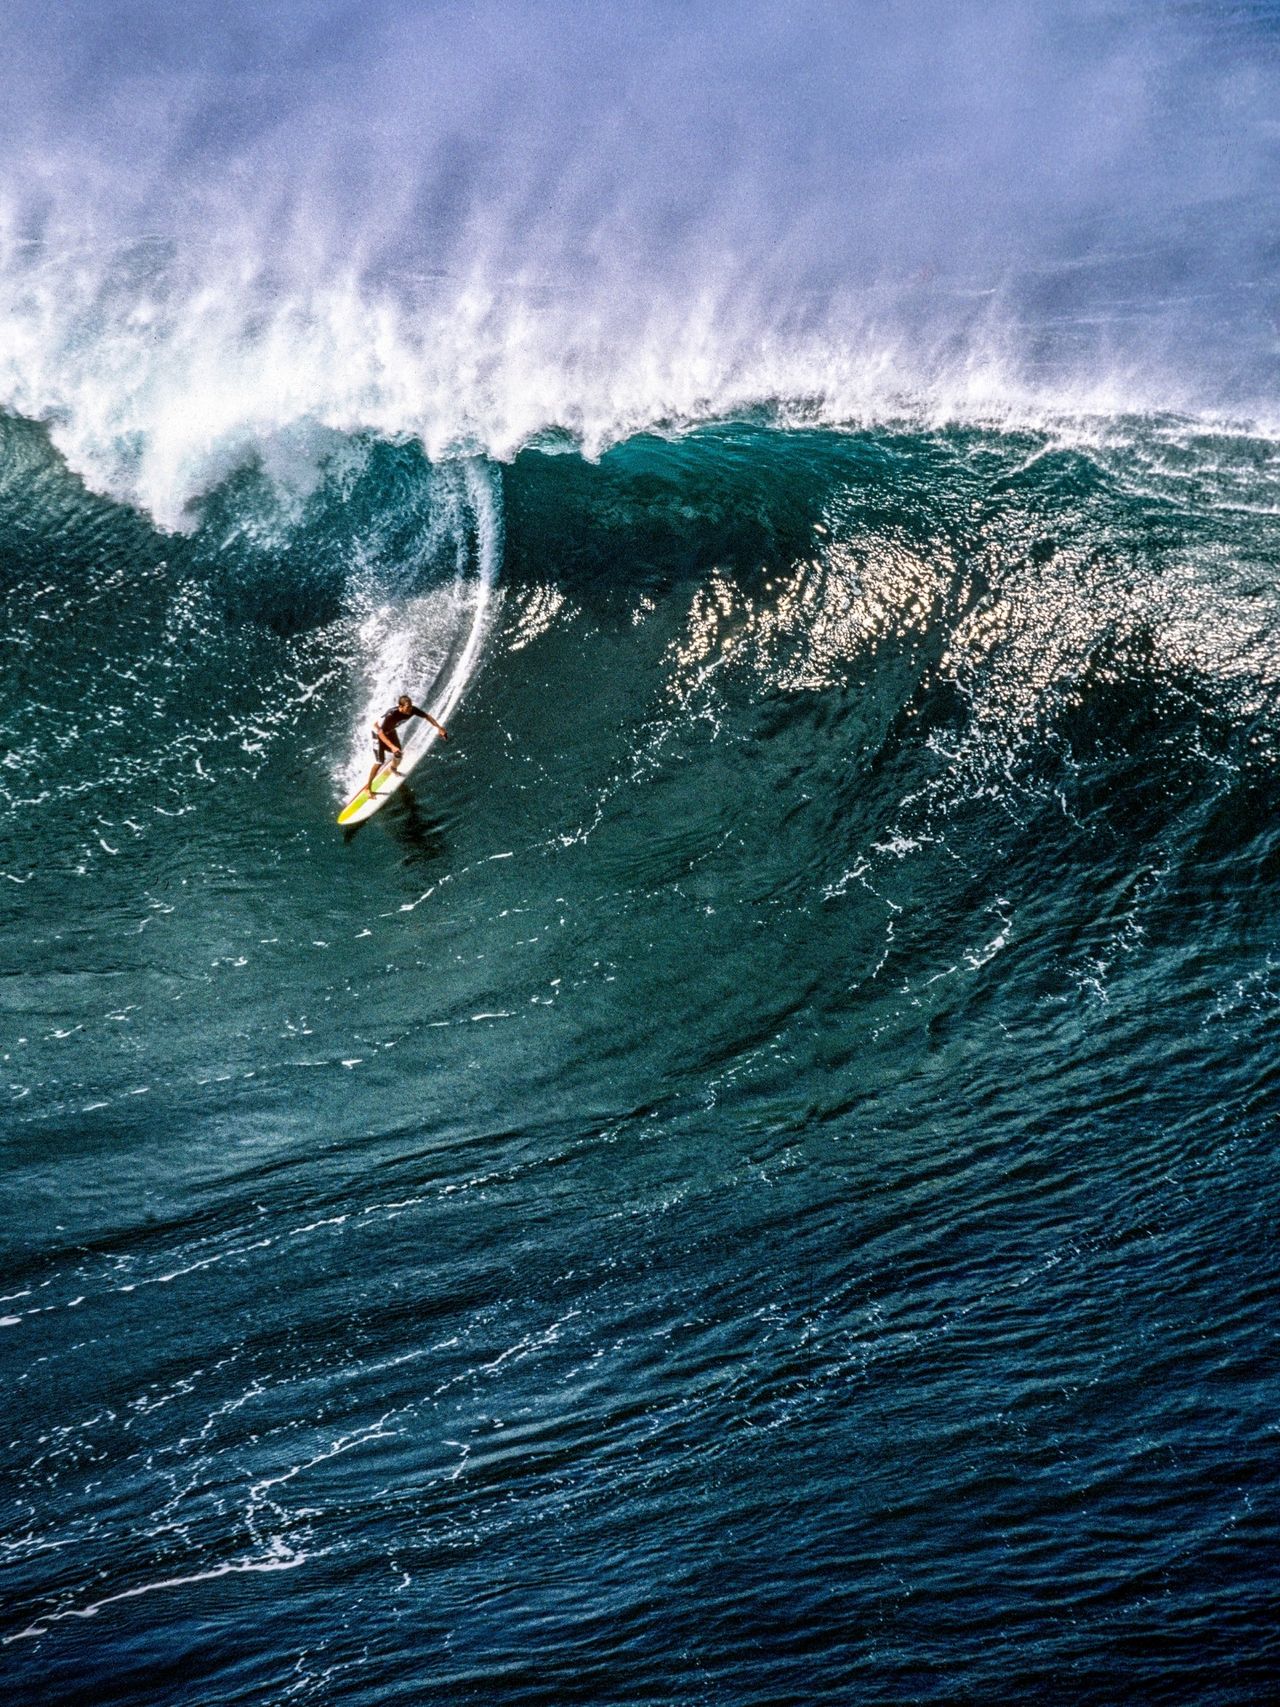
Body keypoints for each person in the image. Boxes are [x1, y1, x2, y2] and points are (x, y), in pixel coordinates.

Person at [366, 694, 447, 793]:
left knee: (398, 753)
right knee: (379, 761)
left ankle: (393, 768)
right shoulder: (391, 715)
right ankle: (368, 789)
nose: (410, 710)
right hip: (378, 734)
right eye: (407, 707)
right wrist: (392, 747)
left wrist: (439, 728)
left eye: (411, 706)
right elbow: (380, 732)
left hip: (390, 732)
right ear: (400, 707)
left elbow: (427, 716)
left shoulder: (412, 710)